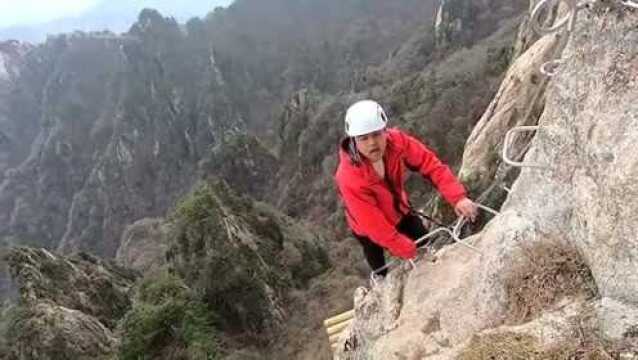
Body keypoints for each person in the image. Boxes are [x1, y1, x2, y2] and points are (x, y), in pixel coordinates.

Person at [334, 100, 478, 276]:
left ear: (384, 131)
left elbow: (429, 164)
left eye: (377, 134)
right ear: (354, 140)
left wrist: (458, 198)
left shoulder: (397, 143)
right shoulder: (349, 176)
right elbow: (372, 223)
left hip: (401, 210)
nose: (372, 143)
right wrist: (401, 246)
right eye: (364, 138)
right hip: (365, 228)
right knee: (376, 259)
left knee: (425, 245)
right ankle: (381, 279)